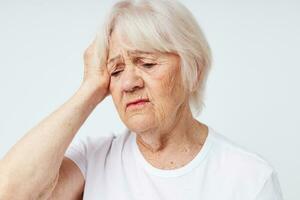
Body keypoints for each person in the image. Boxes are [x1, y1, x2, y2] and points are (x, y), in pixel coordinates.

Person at [0, 0, 283, 199]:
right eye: (116, 70)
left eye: (147, 63)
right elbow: (10, 192)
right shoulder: (94, 161)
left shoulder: (249, 178)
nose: (129, 83)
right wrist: (89, 89)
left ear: (192, 72)